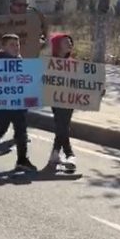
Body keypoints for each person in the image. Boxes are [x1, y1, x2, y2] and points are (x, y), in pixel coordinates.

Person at [0, 34, 37, 172]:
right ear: (4, 47)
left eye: (17, 45)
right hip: (2, 105)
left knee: (21, 132)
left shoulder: (21, 62)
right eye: (12, 45)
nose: (16, 47)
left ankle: (22, 160)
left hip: (19, 104)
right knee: (0, 129)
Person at [48, 33, 77, 170]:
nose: (70, 44)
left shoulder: (74, 63)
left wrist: (97, 90)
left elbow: (84, 83)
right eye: (66, 42)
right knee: (62, 125)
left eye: (71, 41)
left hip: (70, 100)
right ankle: (63, 153)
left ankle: (61, 154)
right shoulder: (48, 64)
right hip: (55, 99)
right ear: (57, 46)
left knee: (63, 125)